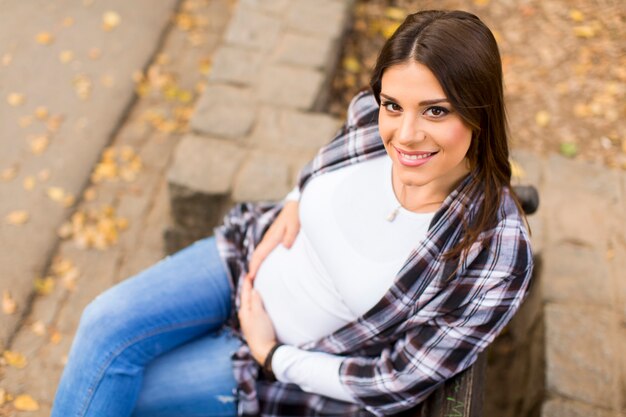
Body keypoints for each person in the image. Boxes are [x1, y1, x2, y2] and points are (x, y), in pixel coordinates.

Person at [51, 9, 533, 417]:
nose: (404, 135)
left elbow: (395, 379)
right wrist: (296, 199)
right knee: (101, 326)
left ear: (479, 111)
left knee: (125, 392)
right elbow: (330, 162)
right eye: (395, 105)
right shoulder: (373, 115)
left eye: (436, 111)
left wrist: (273, 355)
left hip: (267, 361)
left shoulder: (495, 251)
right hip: (246, 258)